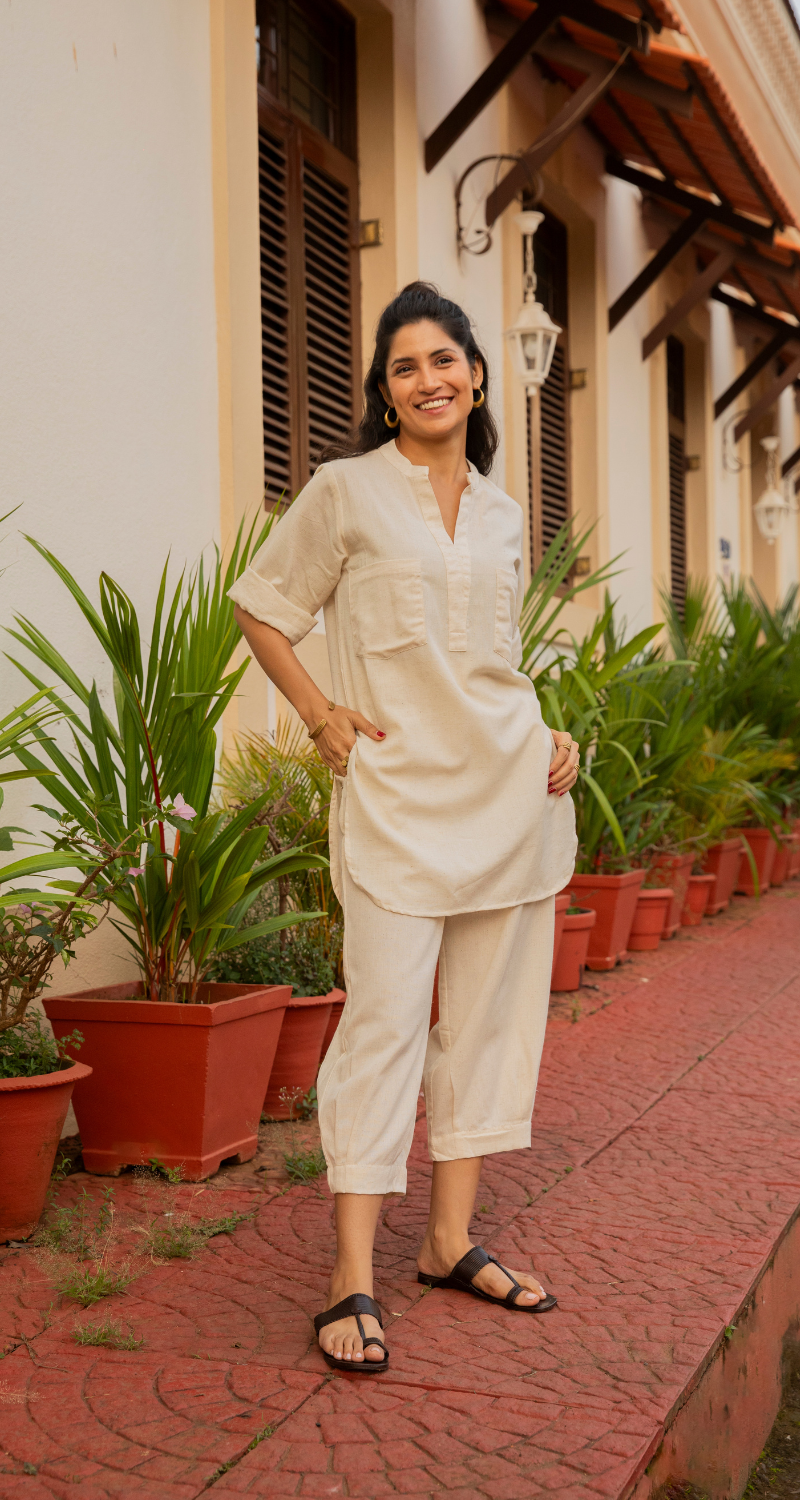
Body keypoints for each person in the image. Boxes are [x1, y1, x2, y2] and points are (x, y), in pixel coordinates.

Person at [230, 281, 579, 1374]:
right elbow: (263, 604)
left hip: (510, 792)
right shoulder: (344, 492)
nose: (427, 378)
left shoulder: (503, 510)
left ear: (476, 374)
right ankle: (349, 1275)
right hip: (393, 797)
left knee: (485, 1025)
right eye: (403, 366)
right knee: (380, 1024)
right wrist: (321, 716)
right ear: (384, 395)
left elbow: (496, 658)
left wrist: (552, 732)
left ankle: (445, 1239)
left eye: (443, 359)